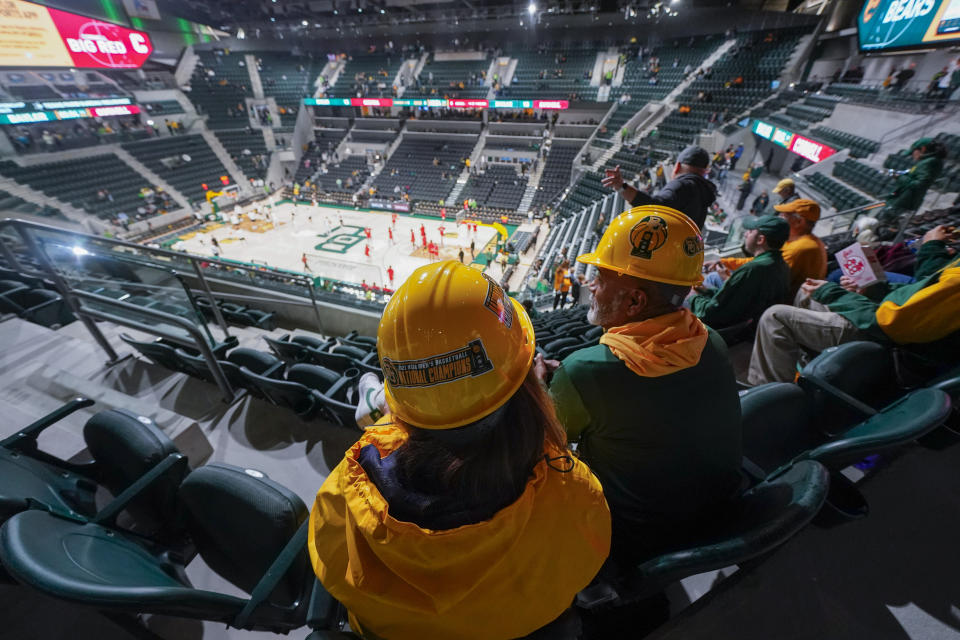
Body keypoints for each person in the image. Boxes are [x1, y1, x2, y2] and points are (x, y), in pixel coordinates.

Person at [308, 262, 611, 640]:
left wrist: (386, 417)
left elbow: (330, 558)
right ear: (521, 381)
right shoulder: (575, 492)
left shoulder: (349, 489)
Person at [534, 206, 741, 567]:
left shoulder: (585, 372)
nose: (591, 285)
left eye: (600, 276)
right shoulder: (712, 341)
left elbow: (537, 443)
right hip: (717, 515)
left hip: (632, 535)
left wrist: (538, 389)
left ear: (634, 301)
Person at [748, 224, 960, 385]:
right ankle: (808, 375)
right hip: (886, 319)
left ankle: (767, 399)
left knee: (775, 316)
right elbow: (923, 290)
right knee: (807, 292)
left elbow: (891, 323)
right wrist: (872, 290)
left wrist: (832, 293)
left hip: (889, 341)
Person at [690, 215, 791, 329]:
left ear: (760, 240)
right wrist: (706, 291)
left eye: (750, 231)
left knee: (678, 298)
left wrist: (692, 297)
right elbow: (737, 300)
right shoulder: (782, 266)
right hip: (745, 325)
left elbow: (711, 314)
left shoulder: (751, 269)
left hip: (725, 329)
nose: (745, 234)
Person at [710, 199, 827, 297]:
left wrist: (727, 279)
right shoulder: (800, 240)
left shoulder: (801, 248)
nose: (779, 217)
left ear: (799, 222)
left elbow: (766, 283)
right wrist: (726, 262)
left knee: (713, 278)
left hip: (775, 304)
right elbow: (758, 262)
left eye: (783, 216)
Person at [601, 145, 717, 228]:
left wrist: (621, 186)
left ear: (677, 166)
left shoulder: (682, 185)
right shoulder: (703, 191)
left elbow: (654, 208)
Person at [879, 137, 946, 223]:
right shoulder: (928, 162)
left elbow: (919, 184)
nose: (912, 155)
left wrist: (898, 177)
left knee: (882, 226)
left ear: (923, 149)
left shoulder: (930, 163)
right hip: (903, 201)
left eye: (913, 152)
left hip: (903, 203)